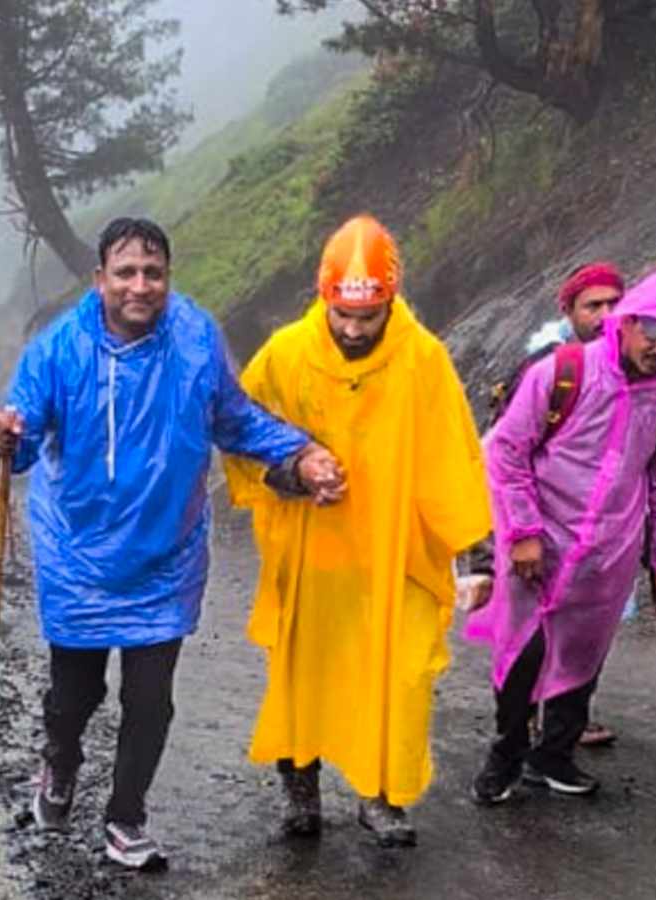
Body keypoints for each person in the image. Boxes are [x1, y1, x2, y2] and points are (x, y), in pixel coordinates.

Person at [0, 217, 342, 870]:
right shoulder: (58, 349)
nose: (140, 286)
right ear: (100, 280)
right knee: (74, 699)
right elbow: (21, 436)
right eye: (125, 272)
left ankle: (125, 818)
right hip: (78, 558)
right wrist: (1, 438)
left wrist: (301, 452)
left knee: (150, 700)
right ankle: (59, 764)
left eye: (153, 273)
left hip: (166, 559)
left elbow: (233, 418)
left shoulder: (197, 337)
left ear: (168, 279)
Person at [225, 215, 492, 848]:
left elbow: (453, 457)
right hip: (311, 553)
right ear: (323, 296)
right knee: (303, 676)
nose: (352, 328)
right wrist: (291, 473)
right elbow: (237, 431)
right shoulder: (286, 354)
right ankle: (301, 793)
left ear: (390, 300)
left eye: (367, 316)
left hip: (393, 556)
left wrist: (474, 556)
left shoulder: (423, 358)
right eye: (342, 314)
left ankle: (381, 797)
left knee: (395, 678)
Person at [464, 248, 656, 804]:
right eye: (653, 338)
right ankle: (507, 756)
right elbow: (505, 453)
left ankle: (555, 756)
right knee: (523, 652)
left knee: (584, 653)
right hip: (539, 544)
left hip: (608, 554)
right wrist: (521, 534)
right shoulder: (562, 373)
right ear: (630, 324)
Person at [464, 261, 629, 748]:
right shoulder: (549, 369)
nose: (605, 315)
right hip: (537, 519)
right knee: (536, 624)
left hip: (595, 523)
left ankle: (562, 719)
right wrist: (518, 531)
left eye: (614, 304)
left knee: (580, 624)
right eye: (593, 305)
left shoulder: (636, 367)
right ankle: (528, 722)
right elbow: (506, 449)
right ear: (569, 310)